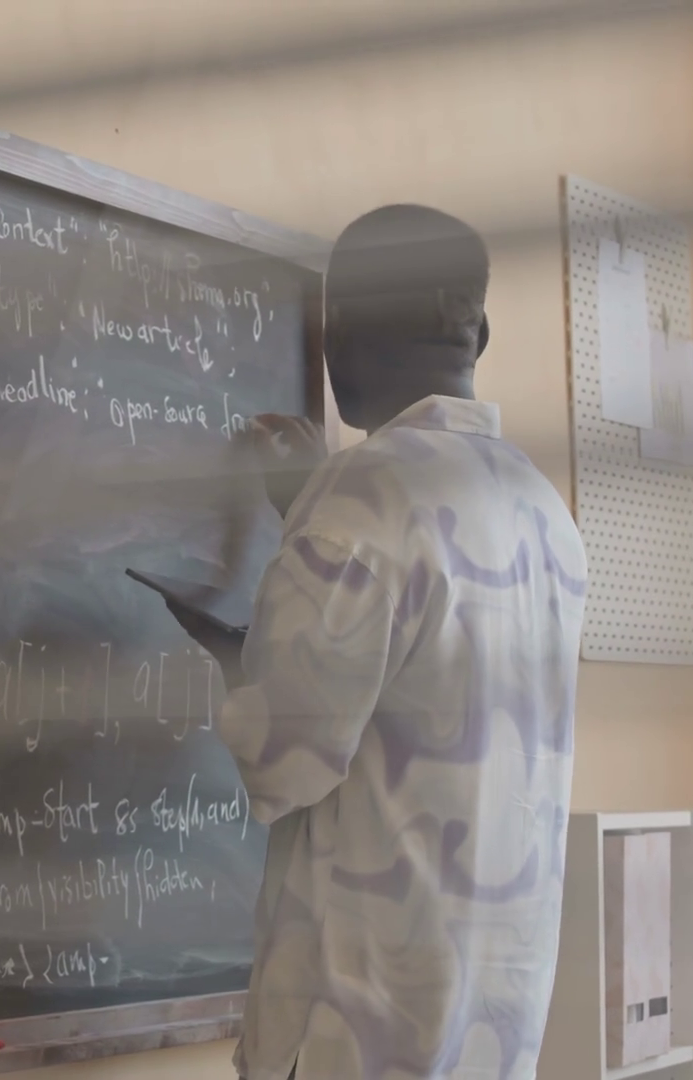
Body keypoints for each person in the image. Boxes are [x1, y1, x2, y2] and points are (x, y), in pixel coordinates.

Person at [156, 205, 588, 1080]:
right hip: (486, 1038)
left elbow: (286, 761)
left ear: (342, 333)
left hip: (355, 1037)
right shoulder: (545, 514)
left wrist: (234, 655)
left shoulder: (362, 493)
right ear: (481, 334)